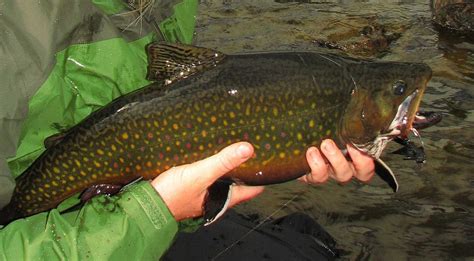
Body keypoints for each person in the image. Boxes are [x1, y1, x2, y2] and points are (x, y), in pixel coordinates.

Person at [0, 0, 374, 259]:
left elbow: (179, 116)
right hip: (62, 236)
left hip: (127, 222)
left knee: (307, 246)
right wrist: (152, 210)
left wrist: (277, 155)